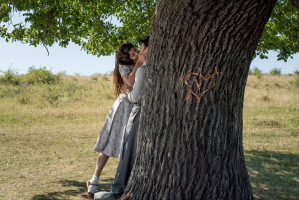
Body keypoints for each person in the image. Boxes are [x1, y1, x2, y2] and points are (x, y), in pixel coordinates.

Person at [87, 43, 145, 199]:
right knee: (110, 143)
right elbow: (130, 83)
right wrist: (138, 64)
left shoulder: (143, 61)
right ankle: (94, 180)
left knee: (128, 145)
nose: (137, 53)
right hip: (123, 108)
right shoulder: (124, 67)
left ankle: (125, 179)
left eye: (136, 50)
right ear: (127, 58)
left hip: (135, 109)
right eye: (133, 54)